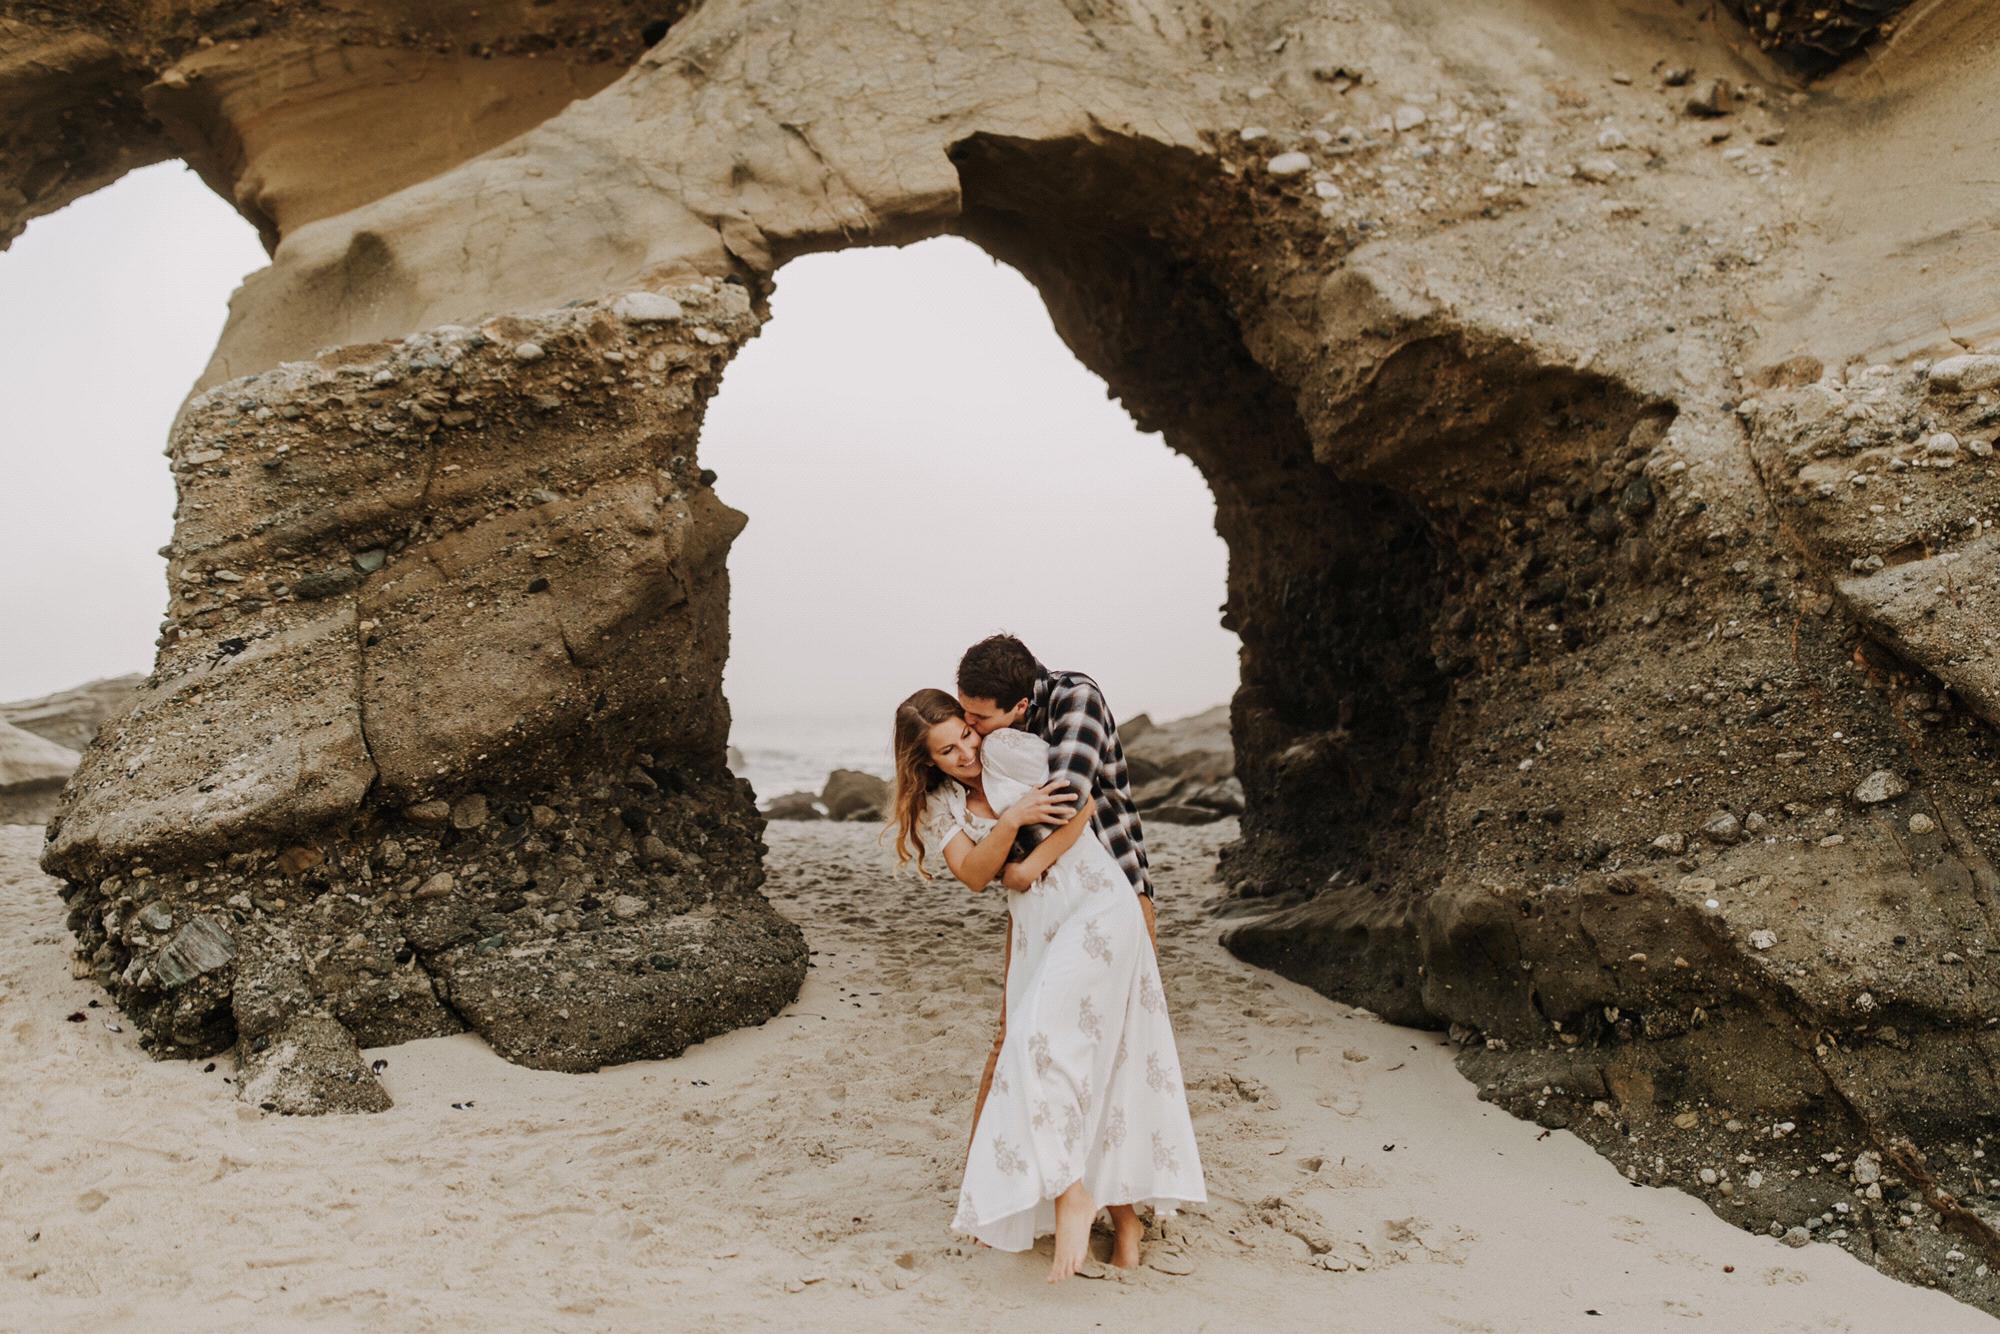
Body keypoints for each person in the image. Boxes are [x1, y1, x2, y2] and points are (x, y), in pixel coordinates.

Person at [890, 688, 1205, 1282]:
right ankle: (1120, 1218)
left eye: (966, 734)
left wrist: (1031, 864)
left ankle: (1078, 1193)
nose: (966, 753)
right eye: (948, 750)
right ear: (926, 761)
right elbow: (974, 874)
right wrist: (1012, 820)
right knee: (1082, 1055)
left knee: (1055, 1043)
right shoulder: (941, 802)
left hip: (1093, 901)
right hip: (1037, 927)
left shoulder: (1009, 748)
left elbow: (1082, 807)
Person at [954, 634, 1156, 1167]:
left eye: (978, 717)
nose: (969, 727)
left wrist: (1008, 860)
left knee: (1118, 1036)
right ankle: (985, 1179)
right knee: (1013, 1031)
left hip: (1111, 886)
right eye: (964, 711)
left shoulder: (1076, 698)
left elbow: (1065, 801)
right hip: (1039, 899)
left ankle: (1113, 1184)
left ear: (1021, 706)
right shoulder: (991, 727)